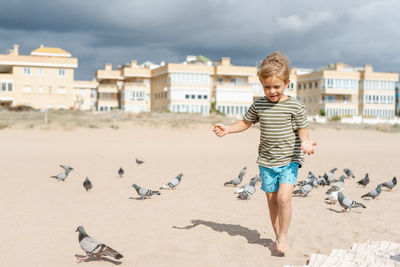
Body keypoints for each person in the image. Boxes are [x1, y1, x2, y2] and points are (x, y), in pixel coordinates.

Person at [213, 51, 316, 254]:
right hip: (267, 162)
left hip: (289, 160)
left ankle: (284, 236)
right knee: (272, 202)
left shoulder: (295, 106)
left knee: (284, 198)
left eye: (276, 86)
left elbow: (303, 132)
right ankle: (277, 237)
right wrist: (228, 129)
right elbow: (245, 122)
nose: (271, 91)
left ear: (287, 83)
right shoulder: (259, 104)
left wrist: (307, 144)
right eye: (266, 86)